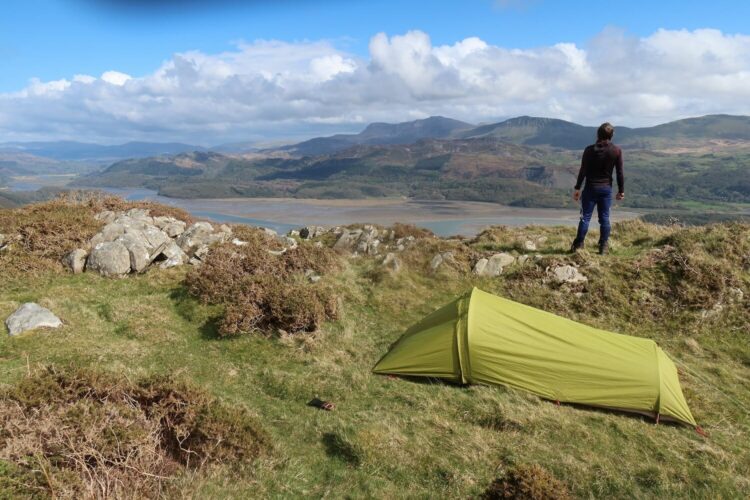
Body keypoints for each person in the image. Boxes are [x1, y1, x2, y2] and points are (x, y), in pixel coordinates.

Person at [570, 122, 624, 255]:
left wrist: (577, 188)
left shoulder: (589, 150)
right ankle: (603, 246)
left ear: (598, 134)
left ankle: (578, 245)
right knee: (605, 218)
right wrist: (621, 190)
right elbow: (620, 172)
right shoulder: (616, 151)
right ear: (611, 135)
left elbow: (583, 170)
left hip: (590, 189)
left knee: (585, 218)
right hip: (606, 189)